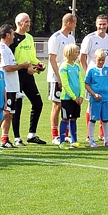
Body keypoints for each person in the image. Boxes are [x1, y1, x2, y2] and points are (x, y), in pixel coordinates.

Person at [10, 13, 44, 145]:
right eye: (26, 21)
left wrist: (39, 65)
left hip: (29, 76)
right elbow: (12, 61)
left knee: (38, 103)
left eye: (29, 21)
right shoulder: (13, 38)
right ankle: (17, 137)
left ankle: (32, 134)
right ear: (19, 23)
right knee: (17, 107)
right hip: (17, 76)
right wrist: (25, 69)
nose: (29, 24)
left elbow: (32, 57)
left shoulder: (29, 38)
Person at [79, 14, 108, 137]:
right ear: (96, 24)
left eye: (104, 24)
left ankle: (102, 134)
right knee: (91, 105)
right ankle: (90, 134)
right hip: (94, 79)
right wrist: (88, 73)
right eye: (100, 24)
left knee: (105, 103)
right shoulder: (89, 38)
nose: (102, 26)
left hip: (105, 78)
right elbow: (82, 57)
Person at [0, 24, 29, 148]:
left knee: (9, 114)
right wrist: (22, 66)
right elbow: (7, 67)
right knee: (5, 113)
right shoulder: (2, 49)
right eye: (13, 34)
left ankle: (5, 139)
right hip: (7, 87)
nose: (15, 36)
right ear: (8, 35)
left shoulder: (7, 48)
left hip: (13, 88)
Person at [46, 13, 77, 144]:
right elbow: (52, 59)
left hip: (68, 77)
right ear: (69, 23)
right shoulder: (55, 38)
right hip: (56, 77)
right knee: (57, 105)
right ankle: (55, 136)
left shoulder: (71, 38)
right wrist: (59, 77)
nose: (75, 25)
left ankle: (65, 134)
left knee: (67, 105)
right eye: (74, 23)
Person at [84, 49, 108, 148]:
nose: (101, 62)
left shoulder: (107, 70)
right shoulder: (91, 71)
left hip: (105, 99)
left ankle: (107, 139)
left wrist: (107, 84)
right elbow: (87, 85)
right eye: (99, 60)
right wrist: (94, 94)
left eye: (103, 60)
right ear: (95, 58)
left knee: (105, 119)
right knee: (93, 119)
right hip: (95, 99)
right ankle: (92, 140)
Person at [58, 43, 83, 148]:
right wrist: (73, 97)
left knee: (74, 119)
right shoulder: (64, 66)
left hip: (77, 98)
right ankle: (62, 142)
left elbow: (81, 81)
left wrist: (81, 95)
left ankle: (74, 141)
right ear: (70, 53)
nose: (78, 54)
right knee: (65, 119)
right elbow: (65, 84)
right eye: (76, 52)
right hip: (67, 98)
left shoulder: (77, 66)